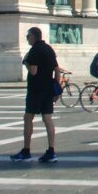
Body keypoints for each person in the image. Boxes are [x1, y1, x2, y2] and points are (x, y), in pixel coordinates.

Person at [11, 27, 60, 163]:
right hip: (48, 89)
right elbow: (57, 70)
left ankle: (26, 150)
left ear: (33, 36)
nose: (27, 39)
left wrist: (26, 62)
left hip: (36, 90)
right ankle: (51, 151)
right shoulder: (49, 49)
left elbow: (33, 71)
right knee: (47, 119)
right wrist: (57, 88)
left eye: (28, 36)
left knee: (28, 118)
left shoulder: (34, 50)